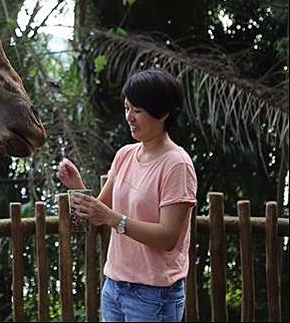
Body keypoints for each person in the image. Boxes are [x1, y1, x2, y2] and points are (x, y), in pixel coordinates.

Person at [57, 68, 197, 322]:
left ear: (163, 113)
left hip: (154, 295)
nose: (129, 117)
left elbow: (168, 237)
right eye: (127, 108)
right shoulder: (125, 155)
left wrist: (114, 219)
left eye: (138, 110)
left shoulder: (177, 164)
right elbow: (97, 215)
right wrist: (75, 185)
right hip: (114, 287)